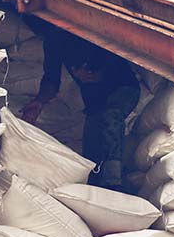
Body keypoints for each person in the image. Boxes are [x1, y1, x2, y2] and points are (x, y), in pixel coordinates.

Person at [17, 18, 140, 187]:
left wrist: (99, 75)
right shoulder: (53, 40)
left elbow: (116, 57)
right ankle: (95, 187)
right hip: (95, 101)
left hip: (123, 89)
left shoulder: (89, 26)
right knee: (91, 151)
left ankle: (114, 181)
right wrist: (39, 102)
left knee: (111, 116)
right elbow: (52, 81)